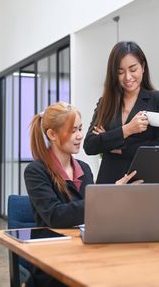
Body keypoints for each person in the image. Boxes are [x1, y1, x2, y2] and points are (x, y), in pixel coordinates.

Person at [24, 101, 141, 287]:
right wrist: (107, 195)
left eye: (80, 128)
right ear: (52, 134)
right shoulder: (35, 171)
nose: (80, 136)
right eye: (72, 131)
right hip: (54, 263)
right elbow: (55, 216)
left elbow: (92, 212)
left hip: (86, 253)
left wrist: (117, 199)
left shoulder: (84, 169)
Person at [83, 41, 159, 184]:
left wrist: (116, 145)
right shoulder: (105, 103)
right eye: (120, 72)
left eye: (133, 69)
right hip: (109, 182)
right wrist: (127, 130)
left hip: (143, 181)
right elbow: (90, 145)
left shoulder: (158, 100)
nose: (127, 77)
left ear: (143, 67)